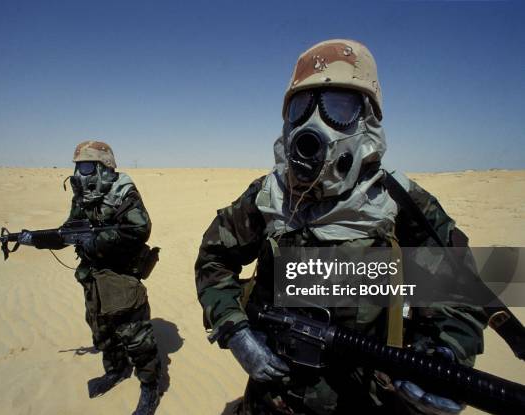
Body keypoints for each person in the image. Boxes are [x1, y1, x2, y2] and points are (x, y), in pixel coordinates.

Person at [194, 40, 486, 414]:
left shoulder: (400, 202)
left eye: (339, 107)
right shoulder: (267, 197)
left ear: (367, 120)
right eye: (301, 108)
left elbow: (462, 288)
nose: (313, 124)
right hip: (275, 397)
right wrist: (235, 331)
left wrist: (445, 354)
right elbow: (213, 259)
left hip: (365, 398)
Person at [19, 140, 161, 415]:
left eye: (85, 167)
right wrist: (35, 240)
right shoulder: (83, 196)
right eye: (77, 167)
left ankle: (150, 385)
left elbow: (140, 229)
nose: (79, 174)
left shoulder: (123, 192)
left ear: (103, 167)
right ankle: (116, 370)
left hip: (120, 275)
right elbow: (69, 231)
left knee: (135, 335)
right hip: (93, 276)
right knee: (101, 328)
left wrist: (97, 243)